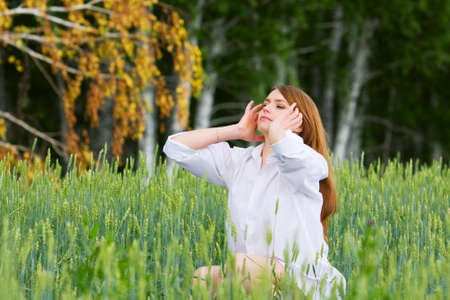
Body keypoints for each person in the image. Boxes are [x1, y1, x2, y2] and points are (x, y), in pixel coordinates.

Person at [163, 85, 346, 299]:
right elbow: (175, 147)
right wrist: (234, 131)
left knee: (240, 264)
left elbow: (292, 156)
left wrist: (279, 133)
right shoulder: (239, 162)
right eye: (266, 103)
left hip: (301, 279)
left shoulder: (308, 162)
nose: (267, 108)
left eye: (279, 106)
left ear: (298, 121)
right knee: (202, 277)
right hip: (251, 278)